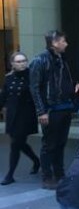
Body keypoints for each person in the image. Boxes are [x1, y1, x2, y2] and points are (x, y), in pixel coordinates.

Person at [29, 31, 79, 189]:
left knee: (60, 143)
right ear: (55, 43)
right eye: (63, 41)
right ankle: (47, 177)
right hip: (51, 109)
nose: (66, 44)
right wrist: (41, 111)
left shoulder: (62, 59)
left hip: (64, 106)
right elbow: (34, 88)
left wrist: (76, 83)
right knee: (49, 144)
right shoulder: (40, 61)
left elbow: (66, 79)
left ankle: (60, 174)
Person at [0, 52, 40, 185]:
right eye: (18, 61)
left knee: (15, 144)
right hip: (12, 116)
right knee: (19, 143)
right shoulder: (9, 78)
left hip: (26, 115)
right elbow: (4, 96)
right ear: (12, 64)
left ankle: (10, 175)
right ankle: (36, 160)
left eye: (24, 60)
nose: (22, 63)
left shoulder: (32, 76)